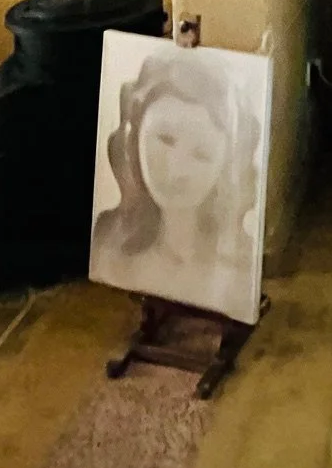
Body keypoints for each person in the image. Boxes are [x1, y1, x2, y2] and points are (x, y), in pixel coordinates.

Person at [91, 53, 261, 322]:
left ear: (227, 166)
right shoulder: (108, 244)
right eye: (164, 139)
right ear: (135, 137)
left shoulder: (239, 271)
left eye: (201, 154)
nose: (175, 169)